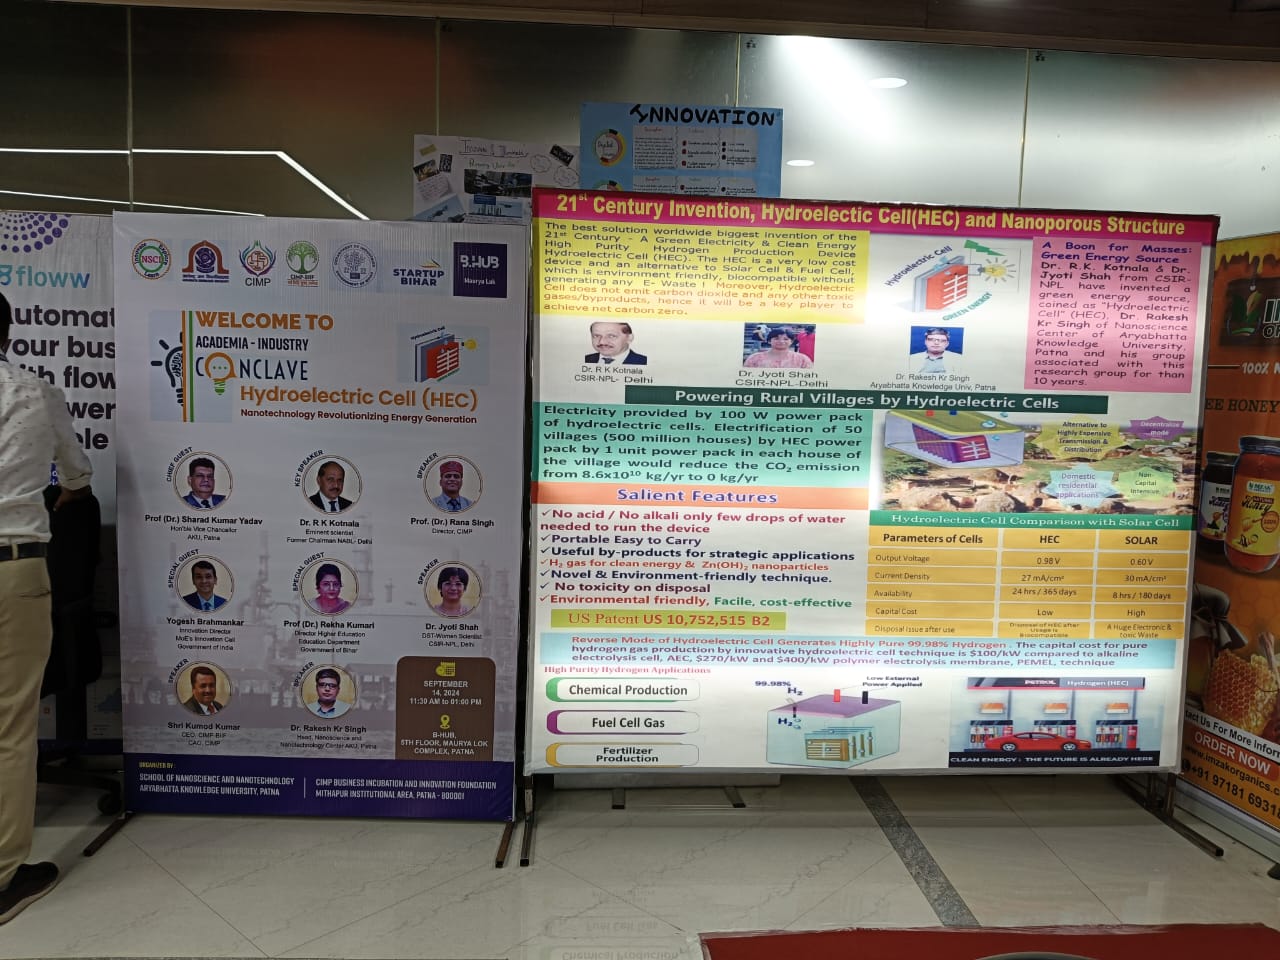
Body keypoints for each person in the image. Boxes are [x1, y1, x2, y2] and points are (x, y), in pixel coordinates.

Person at [0, 291, 92, 923]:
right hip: (14, 567)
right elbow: (77, 474)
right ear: (7, 334)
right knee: (10, 726)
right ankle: (4, 878)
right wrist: (66, 492)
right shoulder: (35, 392)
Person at [743, 327, 813, 368]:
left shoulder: (802, 359)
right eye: (776, 338)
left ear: (791, 341)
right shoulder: (754, 358)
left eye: (786, 339)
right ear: (769, 341)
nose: (781, 341)